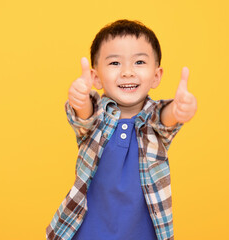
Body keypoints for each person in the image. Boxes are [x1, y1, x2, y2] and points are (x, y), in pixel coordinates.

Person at [46, 19, 197, 240]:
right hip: (90, 230)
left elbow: (164, 117)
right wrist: (79, 100)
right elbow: (85, 116)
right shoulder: (97, 117)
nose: (127, 72)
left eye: (139, 62)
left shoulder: (152, 121)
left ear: (156, 76)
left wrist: (179, 108)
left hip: (142, 232)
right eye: (115, 63)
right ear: (95, 77)